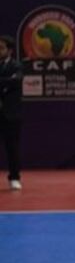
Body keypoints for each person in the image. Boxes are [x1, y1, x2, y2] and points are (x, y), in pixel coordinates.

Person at [0, 35, 21, 190]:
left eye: (1, 48)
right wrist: (6, 81)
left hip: (10, 114)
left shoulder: (16, 66)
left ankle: (14, 177)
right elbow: (9, 82)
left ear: (10, 50)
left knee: (12, 147)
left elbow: (16, 80)